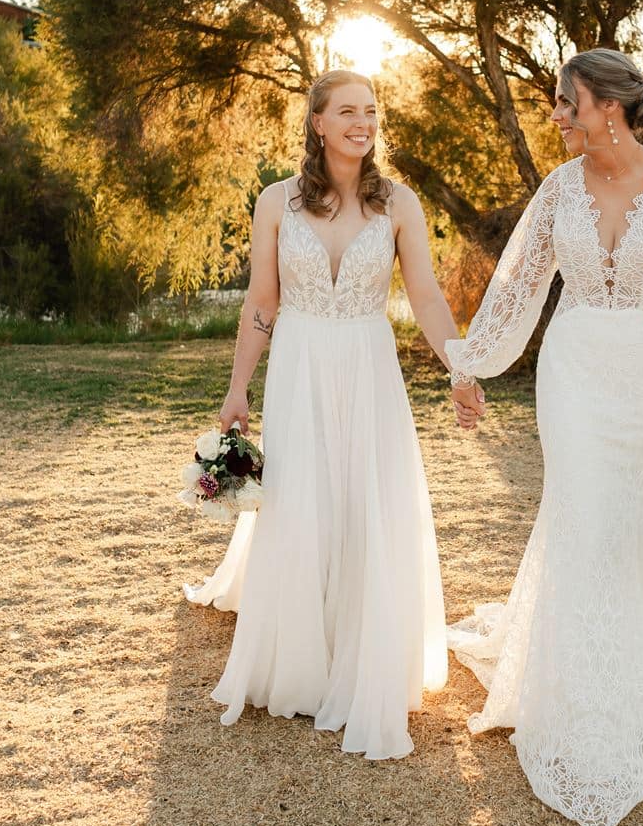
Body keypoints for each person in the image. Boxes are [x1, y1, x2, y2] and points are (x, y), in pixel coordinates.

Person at [446, 48, 643, 826]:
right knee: (582, 519)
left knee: (630, 533)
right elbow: (517, 287)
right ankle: (569, 696)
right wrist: (470, 364)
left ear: (608, 106)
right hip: (576, 374)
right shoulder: (557, 189)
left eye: (567, 101)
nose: (557, 115)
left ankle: (629, 684)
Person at [184, 69, 463, 761]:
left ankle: (364, 649)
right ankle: (302, 661)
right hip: (302, 364)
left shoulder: (399, 203)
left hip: (370, 366)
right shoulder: (277, 202)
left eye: (370, 111)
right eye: (347, 111)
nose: (362, 122)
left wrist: (460, 363)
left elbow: (425, 295)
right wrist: (237, 386)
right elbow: (262, 301)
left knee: (367, 500)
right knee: (305, 502)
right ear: (317, 122)